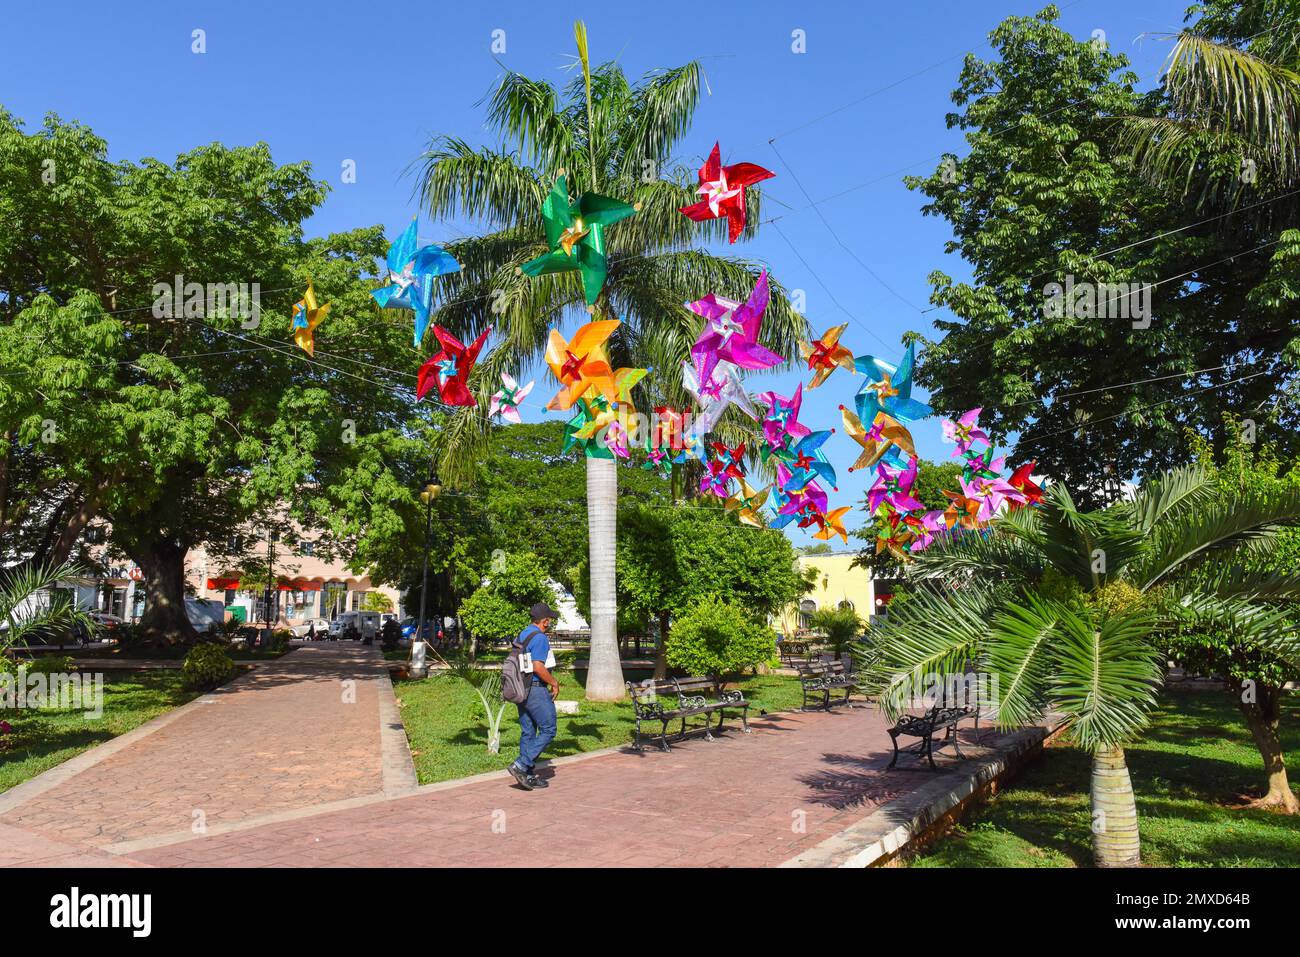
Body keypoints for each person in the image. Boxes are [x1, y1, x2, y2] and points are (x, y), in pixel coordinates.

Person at [507, 602, 559, 791]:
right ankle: (521, 764)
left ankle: (527, 775)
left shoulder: (523, 634)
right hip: (535, 688)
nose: (551, 623)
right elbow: (538, 666)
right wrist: (553, 682)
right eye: (550, 620)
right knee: (548, 729)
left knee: (528, 731)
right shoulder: (540, 638)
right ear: (545, 621)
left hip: (521, 687)